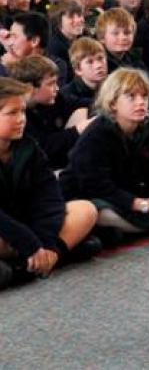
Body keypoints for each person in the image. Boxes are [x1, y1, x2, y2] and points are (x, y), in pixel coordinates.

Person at [59, 68, 149, 240]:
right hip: (93, 195)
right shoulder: (97, 133)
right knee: (100, 209)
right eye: (131, 97)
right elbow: (98, 186)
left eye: (144, 97)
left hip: (131, 190)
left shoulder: (148, 128)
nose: (140, 102)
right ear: (113, 103)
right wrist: (148, 205)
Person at [0, 77, 99, 290]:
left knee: (86, 210)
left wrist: (47, 244)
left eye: (23, 112)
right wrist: (30, 244)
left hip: (29, 228)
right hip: (9, 232)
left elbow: (50, 198)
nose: (21, 119)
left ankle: (45, 259)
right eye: (12, 113)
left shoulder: (29, 147)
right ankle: (34, 261)